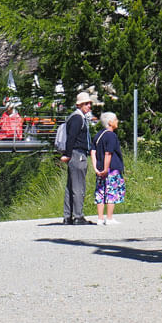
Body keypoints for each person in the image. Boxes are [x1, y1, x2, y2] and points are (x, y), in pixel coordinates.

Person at [60, 91, 94, 225]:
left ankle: (68, 216)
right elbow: (72, 138)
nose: (89, 106)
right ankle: (78, 216)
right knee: (79, 186)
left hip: (75, 154)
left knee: (71, 185)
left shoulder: (76, 117)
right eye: (86, 104)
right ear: (79, 105)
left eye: (89, 103)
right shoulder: (78, 118)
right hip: (78, 154)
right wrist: (68, 154)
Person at [93, 112, 125, 225]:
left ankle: (100, 218)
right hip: (111, 168)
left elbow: (93, 151)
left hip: (100, 168)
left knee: (101, 191)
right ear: (110, 122)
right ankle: (109, 218)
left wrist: (96, 167)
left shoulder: (98, 135)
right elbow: (108, 153)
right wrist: (106, 168)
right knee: (112, 191)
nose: (117, 122)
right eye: (116, 119)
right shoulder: (111, 135)